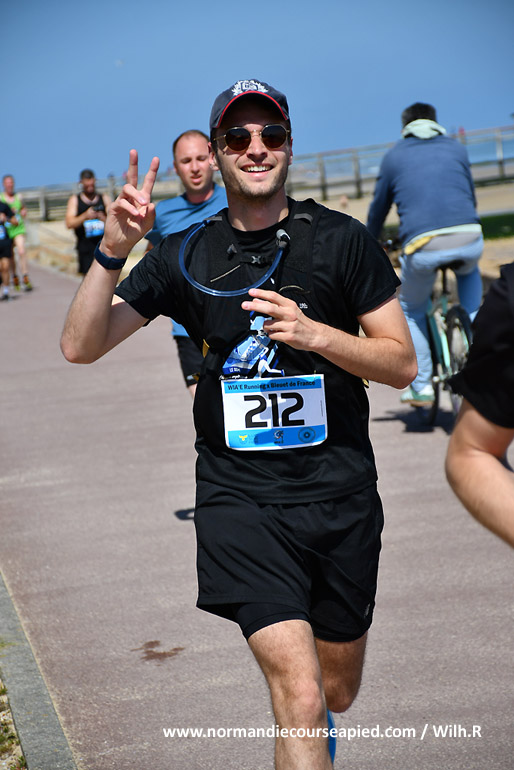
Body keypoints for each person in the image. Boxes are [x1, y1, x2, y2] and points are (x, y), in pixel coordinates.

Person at [61, 78, 417, 769]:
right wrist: (112, 250)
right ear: (219, 153)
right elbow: (81, 345)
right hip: (239, 500)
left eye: (270, 134)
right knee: (301, 694)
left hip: (340, 497)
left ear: (289, 146)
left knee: (335, 691)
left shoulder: (343, 241)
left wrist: (315, 335)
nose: (256, 148)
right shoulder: (184, 253)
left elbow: (401, 364)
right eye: (238, 137)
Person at [367, 102, 483, 407]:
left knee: (410, 308)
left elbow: (379, 209)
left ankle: (422, 387)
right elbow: (469, 195)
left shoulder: (394, 156)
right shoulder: (457, 149)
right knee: (472, 297)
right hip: (469, 234)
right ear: (435, 122)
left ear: (405, 126)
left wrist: (369, 240)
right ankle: (484, 363)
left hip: (424, 244)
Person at [145, 130, 227, 397]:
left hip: (236, 325)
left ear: (213, 159)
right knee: (203, 407)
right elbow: (152, 260)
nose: (194, 168)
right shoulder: (161, 213)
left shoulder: (236, 201)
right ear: (175, 167)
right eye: (186, 161)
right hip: (187, 331)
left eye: (201, 158)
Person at [446, 262, 514, 548]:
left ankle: (422, 384)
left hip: (423, 250)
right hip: (468, 245)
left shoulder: (509, 295)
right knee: (468, 271)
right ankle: (474, 319)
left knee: (411, 307)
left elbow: (472, 454)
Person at [65, 169, 111, 275]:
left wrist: (102, 218)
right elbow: (69, 223)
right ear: (81, 183)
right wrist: (85, 216)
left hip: (103, 246)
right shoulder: (75, 200)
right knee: (88, 278)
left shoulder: (104, 198)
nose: (90, 187)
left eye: (92, 184)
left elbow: (114, 221)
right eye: (87, 185)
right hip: (85, 248)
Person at [1, 175, 32, 291]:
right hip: (6, 230)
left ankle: (25, 275)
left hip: (18, 228)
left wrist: (24, 212)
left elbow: (23, 209)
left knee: (21, 250)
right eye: (7, 183)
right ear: (4, 184)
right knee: (11, 256)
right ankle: (14, 276)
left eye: (11, 182)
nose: (10, 185)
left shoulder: (18, 197)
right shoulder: (1, 198)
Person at [0, 197, 17, 301]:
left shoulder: (4, 206)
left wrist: (6, 219)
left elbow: (16, 221)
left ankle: (6, 291)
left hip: (4, 242)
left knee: (5, 267)